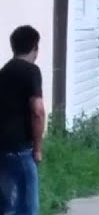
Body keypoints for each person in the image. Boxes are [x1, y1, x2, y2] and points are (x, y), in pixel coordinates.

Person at [0, 26, 45, 215]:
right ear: (35, 47)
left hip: (2, 149)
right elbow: (38, 111)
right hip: (21, 150)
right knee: (28, 208)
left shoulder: (3, 72)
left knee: (7, 206)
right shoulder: (31, 71)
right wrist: (37, 148)